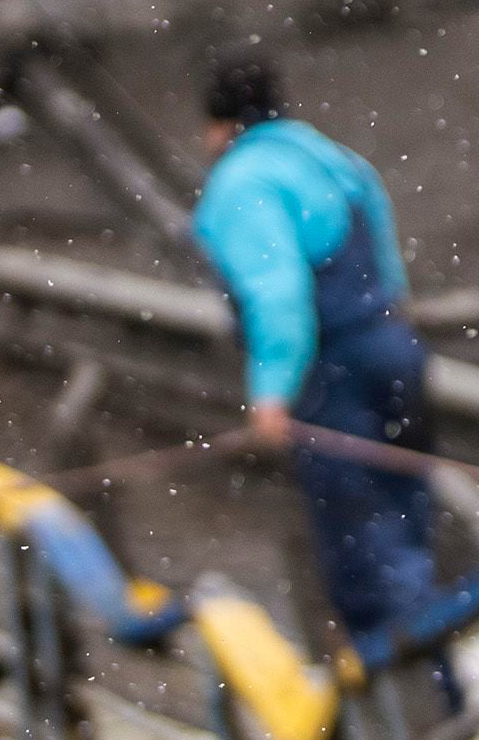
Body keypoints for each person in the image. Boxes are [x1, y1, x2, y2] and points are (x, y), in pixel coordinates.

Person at [187, 58, 446, 675]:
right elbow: (386, 261)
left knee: (363, 551)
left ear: (221, 126)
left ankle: (405, 723)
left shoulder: (242, 183)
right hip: (393, 351)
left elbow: (278, 296)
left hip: (336, 374)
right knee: (409, 527)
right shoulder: (331, 158)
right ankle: (442, 692)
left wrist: (272, 394)